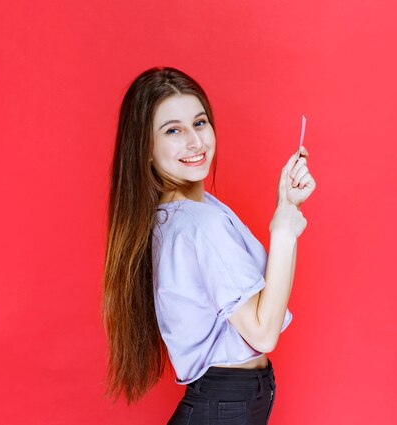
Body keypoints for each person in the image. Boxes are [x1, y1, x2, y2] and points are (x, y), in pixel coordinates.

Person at [102, 67, 316, 424]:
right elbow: (263, 333)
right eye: (174, 130)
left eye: (200, 123)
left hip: (226, 402)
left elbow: (263, 306)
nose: (195, 142)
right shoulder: (200, 224)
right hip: (223, 404)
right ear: (145, 149)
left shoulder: (181, 215)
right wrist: (282, 231)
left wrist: (287, 208)